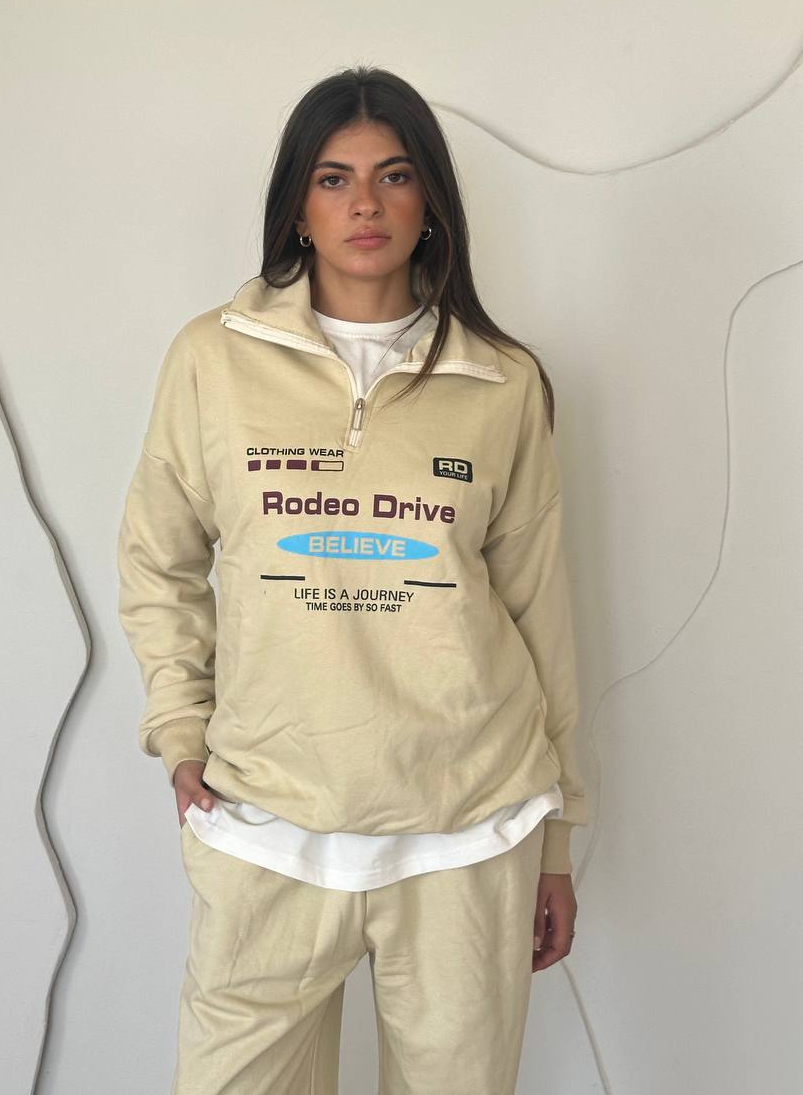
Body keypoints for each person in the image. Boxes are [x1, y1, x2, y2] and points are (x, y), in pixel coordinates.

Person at [117, 65, 589, 1094]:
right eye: (334, 179)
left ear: (432, 203)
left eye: (394, 175)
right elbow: (159, 557)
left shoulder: (502, 381)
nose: (365, 204)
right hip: (265, 824)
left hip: (470, 828)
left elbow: (538, 609)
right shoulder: (211, 359)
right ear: (297, 207)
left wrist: (555, 837)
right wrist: (181, 729)